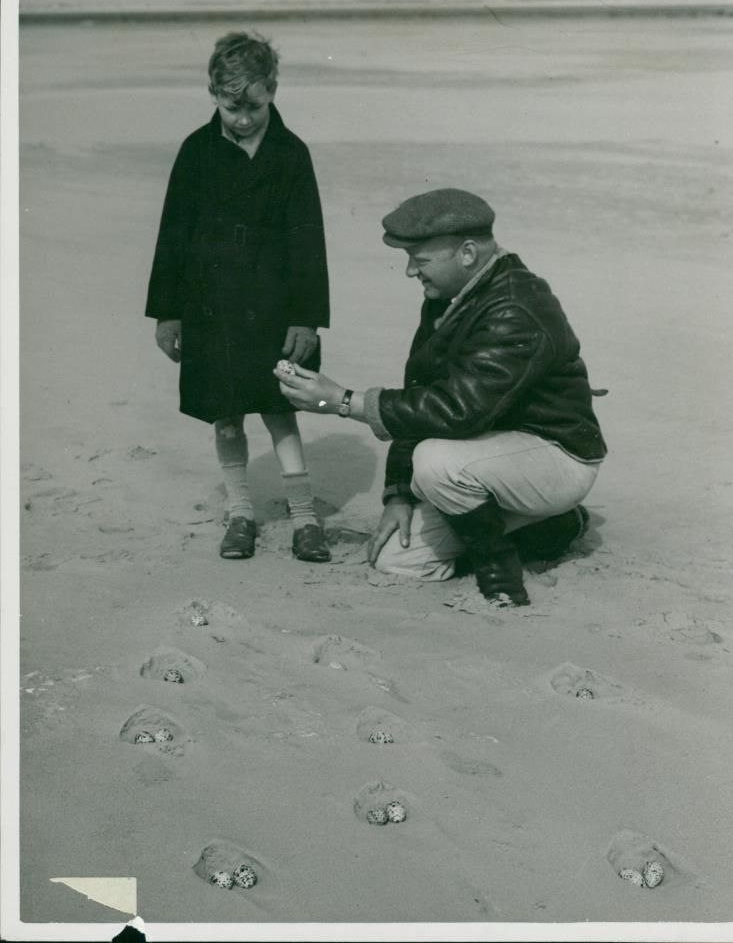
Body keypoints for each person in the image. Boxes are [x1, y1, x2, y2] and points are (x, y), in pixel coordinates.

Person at [274, 188, 607, 606]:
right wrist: (399, 494)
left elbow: (456, 410)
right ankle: (550, 527)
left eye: (420, 259)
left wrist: (341, 401)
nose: (410, 271)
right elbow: (421, 391)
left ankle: (500, 573)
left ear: (467, 253)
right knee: (399, 561)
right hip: (487, 459)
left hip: (555, 456)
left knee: (436, 464)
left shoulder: (516, 307)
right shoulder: (449, 297)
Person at [145, 31, 332, 562]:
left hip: (275, 307)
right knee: (225, 413)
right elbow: (172, 235)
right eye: (232, 107)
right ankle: (241, 512)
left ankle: (305, 517)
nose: (244, 119)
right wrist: (167, 313)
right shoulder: (195, 151)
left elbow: (308, 240)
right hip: (210, 306)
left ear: (273, 90)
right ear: (213, 94)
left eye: (254, 106)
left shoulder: (291, 154)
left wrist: (306, 317)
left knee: (280, 408)